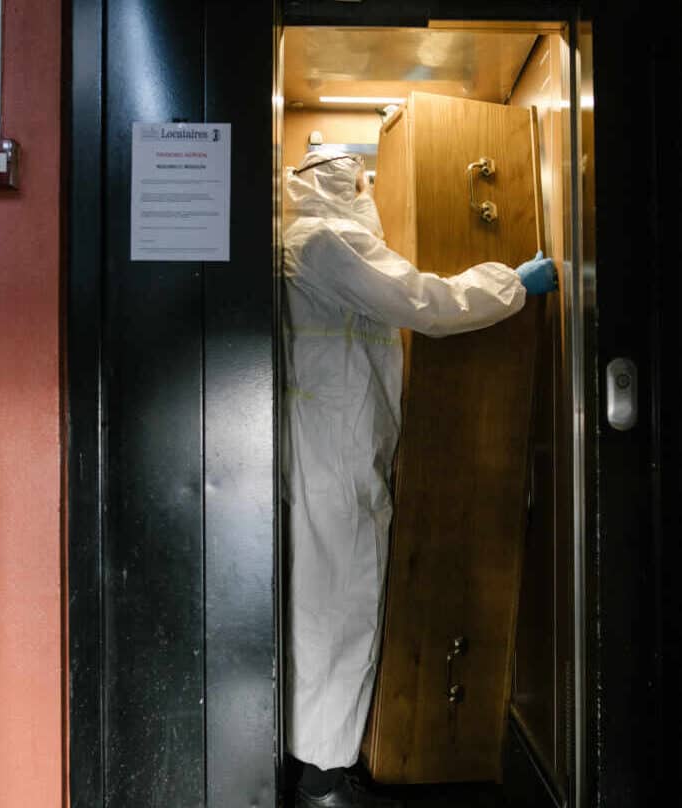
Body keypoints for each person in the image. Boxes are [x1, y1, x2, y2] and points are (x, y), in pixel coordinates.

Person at [282, 149, 558, 808]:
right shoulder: (328, 241)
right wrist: (510, 285)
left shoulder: (303, 242)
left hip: (331, 452)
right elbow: (424, 302)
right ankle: (322, 780)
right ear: (338, 186)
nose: (365, 191)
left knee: (329, 605)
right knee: (340, 606)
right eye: (358, 181)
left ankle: (322, 765)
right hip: (337, 458)